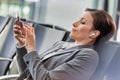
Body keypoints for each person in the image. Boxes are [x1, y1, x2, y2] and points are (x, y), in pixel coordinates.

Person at [13, 8, 116, 80]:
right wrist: (23, 44)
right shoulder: (60, 45)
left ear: (94, 33)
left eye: (82, 22)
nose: (74, 23)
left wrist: (31, 48)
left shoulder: (89, 56)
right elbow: (28, 72)